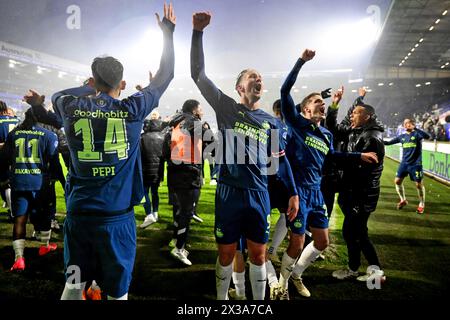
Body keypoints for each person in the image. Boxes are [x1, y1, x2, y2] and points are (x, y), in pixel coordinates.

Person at [27, 3, 176, 300]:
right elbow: (166, 74)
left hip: (79, 218)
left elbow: (56, 95)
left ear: (92, 82)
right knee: (117, 293)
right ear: (122, 83)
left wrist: (90, 88)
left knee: (73, 286)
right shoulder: (133, 109)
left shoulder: (70, 107)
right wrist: (168, 34)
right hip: (116, 220)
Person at [191, 12, 299, 300]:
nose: (258, 80)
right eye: (253, 77)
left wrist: (292, 192)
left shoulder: (271, 121)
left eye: (260, 78)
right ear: (240, 87)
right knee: (226, 253)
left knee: (259, 254)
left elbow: (280, 161)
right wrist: (198, 33)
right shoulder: (227, 108)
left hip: (258, 193)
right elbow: (198, 75)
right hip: (229, 192)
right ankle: (222, 300)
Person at [278, 50, 378, 299]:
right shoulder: (296, 124)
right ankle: (281, 283)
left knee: (322, 242)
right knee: (297, 242)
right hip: (297, 191)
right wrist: (300, 62)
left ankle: (297, 274)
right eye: (316, 103)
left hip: (316, 192)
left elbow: (332, 156)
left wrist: (359, 156)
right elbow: (284, 91)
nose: (322, 106)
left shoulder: (326, 135)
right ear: (304, 110)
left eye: (323, 105)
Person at [328, 101, 386, 282]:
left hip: (361, 194)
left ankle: (366, 270)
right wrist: (334, 107)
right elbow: (334, 129)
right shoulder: (357, 130)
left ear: (367, 116)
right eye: (352, 113)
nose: (352, 116)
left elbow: (362, 171)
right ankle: (363, 269)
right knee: (355, 233)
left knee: (355, 232)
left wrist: (335, 161)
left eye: (356, 113)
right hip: (351, 192)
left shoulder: (371, 137)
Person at [1, 108, 59, 271]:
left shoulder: (14, 134)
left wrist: (3, 179)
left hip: (18, 181)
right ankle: (44, 245)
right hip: (39, 182)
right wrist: (60, 179)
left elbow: (3, 159)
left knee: (20, 219)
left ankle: (19, 258)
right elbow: (53, 163)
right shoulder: (48, 135)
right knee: (44, 215)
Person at [163, 99, 207, 266]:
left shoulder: (174, 122)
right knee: (187, 212)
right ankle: (179, 247)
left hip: (174, 171)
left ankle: (176, 240)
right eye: (200, 108)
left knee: (178, 208)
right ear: (195, 110)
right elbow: (210, 145)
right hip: (188, 173)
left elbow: (165, 149)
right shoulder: (194, 122)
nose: (202, 111)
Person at [384, 118, 430, 214]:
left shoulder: (417, 134)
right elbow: (388, 143)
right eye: (405, 123)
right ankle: (403, 200)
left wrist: (416, 128)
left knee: (418, 185)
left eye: (408, 123)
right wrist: (377, 139)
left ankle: (421, 204)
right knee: (397, 181)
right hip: (404, 163)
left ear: (412, 124)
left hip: (416, 164)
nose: (406, 125)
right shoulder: (402, 137)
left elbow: (427, 136)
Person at [140, 111, 165, 228]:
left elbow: (139, 155)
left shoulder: (143, 137)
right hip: (158, 170)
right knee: (155, 192)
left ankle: (149, 214)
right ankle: (155, 213)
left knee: (145, 192)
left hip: (145, 170)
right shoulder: (163, 137)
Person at [0, 101, 20, 218]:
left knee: (5, 184)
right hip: (17, 155)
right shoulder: (16, 120)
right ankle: (14, 210)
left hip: (2, 155)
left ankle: (13, 211)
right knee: (12, 183)